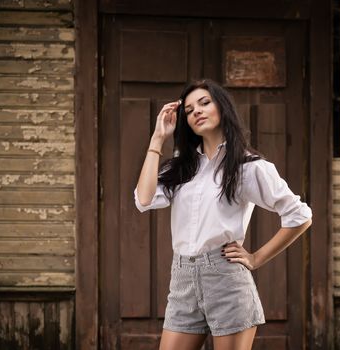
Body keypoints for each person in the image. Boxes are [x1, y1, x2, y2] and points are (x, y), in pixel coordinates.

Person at [134, 79, 312, 350]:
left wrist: (256, 258)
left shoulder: (248, 167)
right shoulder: (183, 167)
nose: (197, 111)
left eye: (205, 103)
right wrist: (157, 139)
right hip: (182, 279)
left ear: (222, 108)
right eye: (190, 109)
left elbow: (300, 216)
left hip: (225, 280)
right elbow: (143, 200)